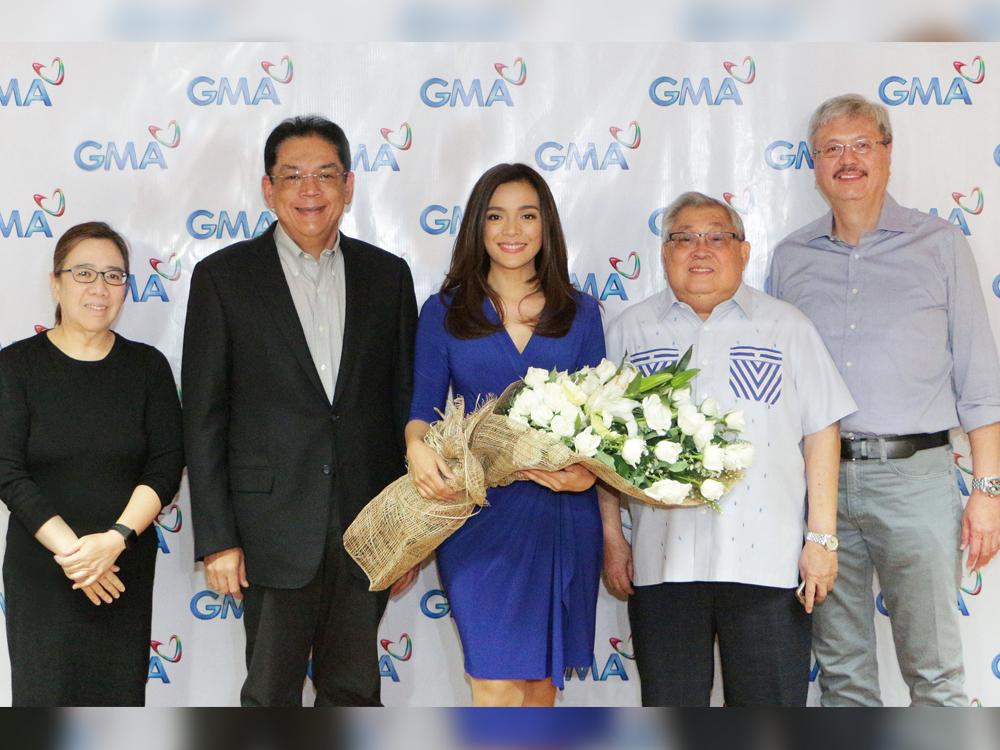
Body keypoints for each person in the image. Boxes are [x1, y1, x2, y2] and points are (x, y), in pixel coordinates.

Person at [768, 94, 1000, 706]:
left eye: (861, 145)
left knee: (936, 675)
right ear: (814, 165)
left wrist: (988, 492)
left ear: (888, 154)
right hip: (819, 491)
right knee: (843, 676)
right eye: (831, 149)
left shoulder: (941, 246)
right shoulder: (790, 259)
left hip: (917, 481)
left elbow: (980, 383)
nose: (847, 161)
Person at [182, 115, 417, 707]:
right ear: (268, 189)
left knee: (356, 693)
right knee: (269, 696)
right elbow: (204, 417)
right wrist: (216, 539)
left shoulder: (387, 276)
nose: (309, 190)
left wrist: (408, 537)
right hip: (269, 531)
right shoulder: (223, 278)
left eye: (324, 175)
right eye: (292, 176)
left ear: (349, 185)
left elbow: (406, 410)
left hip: (367, 531)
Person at [601, 192, 855, 706]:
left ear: (743, 251)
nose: (700, 249)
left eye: (717, 237)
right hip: (663, 562)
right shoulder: (630, 330)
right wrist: (612, 535)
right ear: (664, 252)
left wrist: (822, 540)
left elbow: (821, 432)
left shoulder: (788, 327)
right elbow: (602, 443)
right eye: (683, 237)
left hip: (768, 563)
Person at [406, 163, 605, 707]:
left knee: (540, 685)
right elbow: (422, 406)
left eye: (526, 215)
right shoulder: (444, 312)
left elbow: (600, 421)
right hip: (479, 513)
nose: (511, 229)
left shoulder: (581, 313)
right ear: (477, 226)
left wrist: (586, 475)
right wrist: (415, 446)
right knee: (492, 682)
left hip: (560, 514)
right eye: (496, 216)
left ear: (546, 227)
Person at [0, 221, 184, 706]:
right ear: (55, 281)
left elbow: (165, 465)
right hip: (43, 569)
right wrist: (77, 557)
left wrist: (114, 541)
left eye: (114, 275)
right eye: (84, 273)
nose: (99, 289)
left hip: (121, 567)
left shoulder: (148, 368)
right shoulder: (15, 366)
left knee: (118, 707)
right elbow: (7, 470)